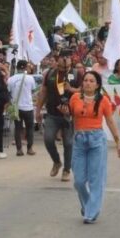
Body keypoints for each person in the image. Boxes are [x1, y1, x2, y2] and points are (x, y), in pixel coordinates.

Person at [67, 71, 120, 223]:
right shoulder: (74, 98)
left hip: (97, 140)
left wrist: (118, 142)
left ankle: (91, 213)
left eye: (92, 81)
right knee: (79, 181)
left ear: (97, 84)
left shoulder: (103, 100)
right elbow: (69, 115)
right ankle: (88, 204)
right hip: (79, 140)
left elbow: (111, 121)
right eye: (85, 80)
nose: (88, 83)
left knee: (96, 179)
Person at [36, 49, 77, 181]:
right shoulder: (50, 74)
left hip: (70, 115)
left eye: (68, 57)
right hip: (52, 113)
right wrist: (38, 110)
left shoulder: (77, 74)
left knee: (68, 143)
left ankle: (66, 170)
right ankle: (56, 161)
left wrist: (71, 89)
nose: (65, 59)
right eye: (63, 57)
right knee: (48, 139)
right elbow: (43, 92)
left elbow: (85, 90)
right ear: (57, 59)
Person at [8, 60, 37, 156]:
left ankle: (19, 150)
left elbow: (8, 92)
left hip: (16, 107)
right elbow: (33, 90)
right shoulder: (30, 78)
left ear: (17, 67)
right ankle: (30, 149)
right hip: (28, 106)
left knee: (17, 128)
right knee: (30, 128)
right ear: (25, 67)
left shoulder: (11, 79)